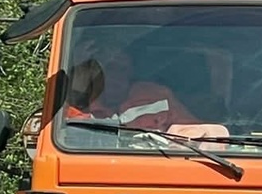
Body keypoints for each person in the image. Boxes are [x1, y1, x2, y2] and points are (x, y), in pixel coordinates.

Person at [65, 41, 228, 141]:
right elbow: (65, 135)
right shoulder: (81, 104)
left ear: (131, 73)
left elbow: (199, 132)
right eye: (107, 69)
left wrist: (210, 132)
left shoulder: (156, 97)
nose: (114, 76)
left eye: (122, 69)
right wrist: (79, 69)